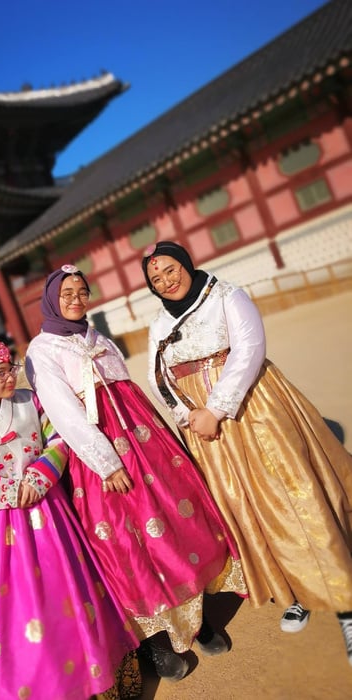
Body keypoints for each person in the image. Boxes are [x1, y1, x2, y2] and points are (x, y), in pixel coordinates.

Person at [25, 265, 247, 682]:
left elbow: (129, 392)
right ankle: (158, 643)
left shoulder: (99, 339)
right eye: (66, 292)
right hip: (100, 458)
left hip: (146, 443)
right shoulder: (42, 350)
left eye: (81, 291)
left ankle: (197, 622)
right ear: (52, 300)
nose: (75, 298)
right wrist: (105, 462)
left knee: (176, 521)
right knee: (129, 542)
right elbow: (63, 410)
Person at [142, 239, 352, 666]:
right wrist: (189, 415)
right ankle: (295, 588)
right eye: (155, 277)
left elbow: (250, 348)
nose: (166, 280)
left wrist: (217, 408)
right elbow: (157, 375)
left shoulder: (226, 295)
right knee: (245, 507)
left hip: (252, 408)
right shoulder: (158, 326)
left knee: (292, 493)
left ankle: (343, 595)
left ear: (185, 262)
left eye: (170, 268)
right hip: (204, 428)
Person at [0, 340, 141, 700]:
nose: (9, 377)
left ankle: (95, 676)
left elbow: (58, 441)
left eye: (10, 369)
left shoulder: (31, 401)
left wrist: (39, 477)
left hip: (47, 511)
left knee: (69, 594)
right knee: (8, 613)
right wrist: (2, 492)